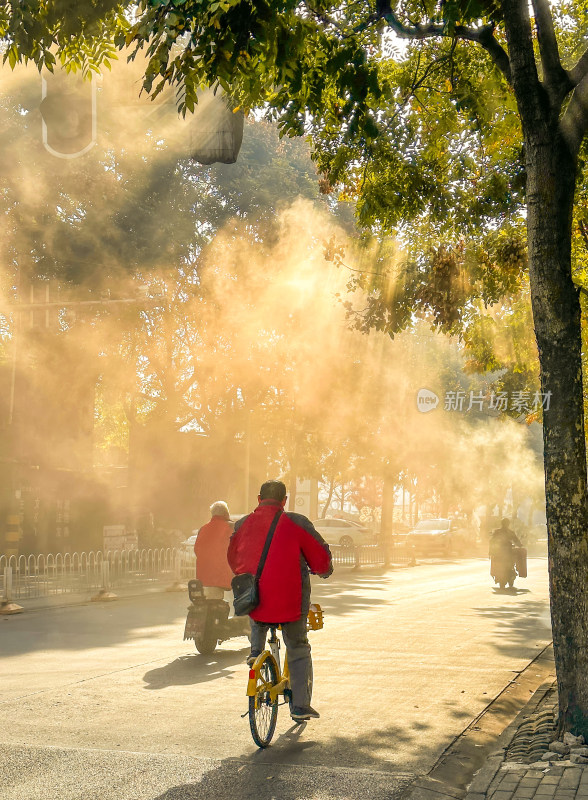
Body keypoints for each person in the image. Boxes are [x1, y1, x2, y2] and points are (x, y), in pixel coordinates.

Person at [227, 479, 332, 722]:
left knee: (257, 608)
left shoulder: (242, 524)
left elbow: (233, 559)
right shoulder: (296, 522)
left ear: (258, 499)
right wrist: (324, 569)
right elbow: (319, 558)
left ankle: (256, 651)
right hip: (289, 605)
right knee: (297, 646)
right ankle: (300, 705)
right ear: (284, 501)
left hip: (254, 601)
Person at [194, 501, 234, 599]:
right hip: (221, 576)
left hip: (202, 577)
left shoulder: (203, 529)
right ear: (226, 514)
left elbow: (196, 550)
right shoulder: (231, 527)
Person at [489, 518, 523, 588]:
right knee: (511, 564)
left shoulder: (497, 532)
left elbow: (491, 541)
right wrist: (520, 545)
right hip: (507, 553)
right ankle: (509, 575)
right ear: (508, 524)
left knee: (502, 564)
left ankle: (502, 575)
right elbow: (516, 541)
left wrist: (490, 551)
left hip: (499, 553)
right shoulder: (510, 532)